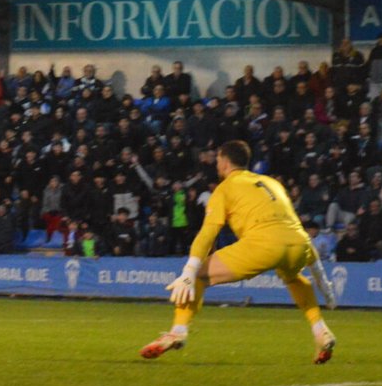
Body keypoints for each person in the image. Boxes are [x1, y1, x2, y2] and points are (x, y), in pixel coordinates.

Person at [141, 139, 337, 364]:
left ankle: (178, 331)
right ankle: (320, 330)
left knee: (198, 276)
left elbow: (208, 233)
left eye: (217, 160)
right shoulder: (271, 183)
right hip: (300, 243)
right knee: (292, 277)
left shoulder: (225, 188)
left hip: (263, 244)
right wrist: (326, 288)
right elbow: (296, 234)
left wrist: (188, 271)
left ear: (224, 161)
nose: (216, 164)